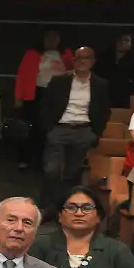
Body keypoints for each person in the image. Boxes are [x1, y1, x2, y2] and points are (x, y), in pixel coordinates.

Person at [38, 46, 112, 189]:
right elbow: (45, 105)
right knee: (52, 170)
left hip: (84, 131)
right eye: (79, 58)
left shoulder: (100, 84)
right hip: (59, 129)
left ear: (93, 61)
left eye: (86, 58)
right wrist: (49, 130)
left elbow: (104, 110)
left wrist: (95, 132)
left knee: (73, 173)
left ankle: (67, 200)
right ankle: (47, 201)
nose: (82, 61)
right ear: (73, 61)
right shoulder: (59, 80)